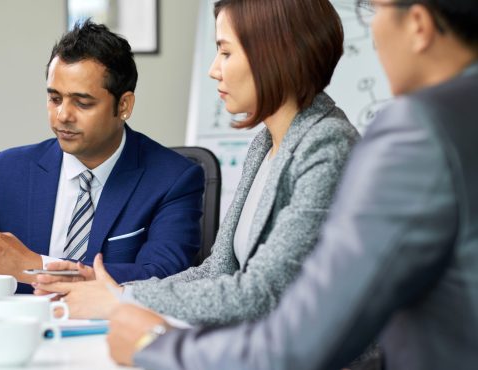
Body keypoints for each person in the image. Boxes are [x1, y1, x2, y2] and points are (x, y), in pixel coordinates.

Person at [106, 0, 478, 368]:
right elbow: (222, 269)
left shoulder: (412, 130)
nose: (374, 32)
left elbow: (290, 326)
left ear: (417, 24)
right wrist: (125, 294)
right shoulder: (264, 143)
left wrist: (151, 343)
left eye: (376, 10)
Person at [32, 0, 359, 325]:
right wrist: (115, 290)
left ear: (277, 53)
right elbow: (218, 270)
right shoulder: (265, 144)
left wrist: (120, 300)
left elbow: (262, 292)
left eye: (226, 52)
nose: (214, 69)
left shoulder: (327, 146)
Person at [0, 20, 205, 294]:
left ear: (124, 105)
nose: (63, 116)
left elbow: (163, 277)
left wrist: (35, 266)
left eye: (82, 103)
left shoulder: (174, 179)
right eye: (55, 99)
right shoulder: (8, 170)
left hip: (111, 332)